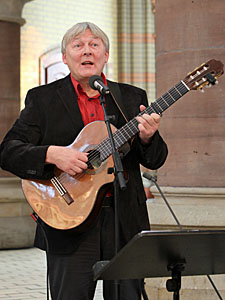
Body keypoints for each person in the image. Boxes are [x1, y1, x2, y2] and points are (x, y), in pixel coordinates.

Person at [0, 22, 168, 300]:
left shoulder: (131, 97)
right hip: (67, 219)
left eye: (94, 45)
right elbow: (8, 151)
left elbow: (155, 159)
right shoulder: (42, 99)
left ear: (106, 55)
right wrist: (53, 154)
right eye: (78, 45)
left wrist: (149, 138)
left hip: (125, 221)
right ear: (66, 57)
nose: (87, 51)